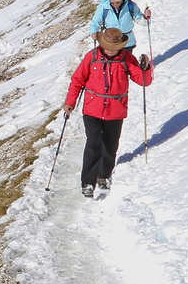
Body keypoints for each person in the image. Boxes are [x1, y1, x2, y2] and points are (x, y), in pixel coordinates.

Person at [64, 27, 153, 197]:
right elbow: (77, 80)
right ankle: (87, 182)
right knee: (93, 143)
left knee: (110, 144)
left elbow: (143, 81)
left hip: (116, 109)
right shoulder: (92, 57)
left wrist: (146, 67)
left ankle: (103, 176)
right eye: (107, 47)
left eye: (114, 48)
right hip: (92, 108)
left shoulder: (127, 58)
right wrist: (70, 102)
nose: (110, 51)